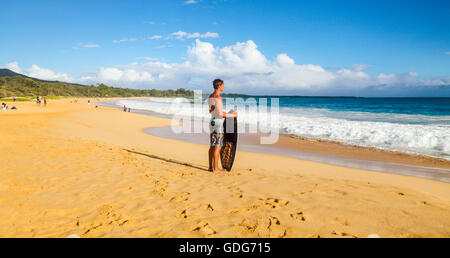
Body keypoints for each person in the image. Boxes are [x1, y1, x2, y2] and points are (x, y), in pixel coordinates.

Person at [208, 79, 237, 173]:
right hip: (218, 123)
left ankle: (210, 167)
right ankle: (215, 169)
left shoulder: (211, 96)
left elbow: (211, 111)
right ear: (220, 86)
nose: (224, 87)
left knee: (212, 145)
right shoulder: (218, 98)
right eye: (223, 85)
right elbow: (221, 114)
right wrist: (233, 115)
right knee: (218, 146)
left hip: (212, 122)